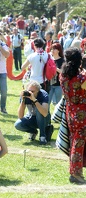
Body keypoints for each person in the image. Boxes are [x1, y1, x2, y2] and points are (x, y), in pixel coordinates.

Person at [60, 47, 86, 184]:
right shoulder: (82, 77)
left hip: (70, 112)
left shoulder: (63, 76)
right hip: (82, 114)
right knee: (78, 142)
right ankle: (76, 173)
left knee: (74, 141)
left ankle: (74, 171)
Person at [14, 80, 52, 145]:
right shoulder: (25, 95)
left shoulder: (43, 94)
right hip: (32, 117)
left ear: (38, 91)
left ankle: (42, 136)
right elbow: (20, 116)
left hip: (44, 119)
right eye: (29, 91)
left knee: (38, 109)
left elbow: (45, 113)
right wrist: (23, 101)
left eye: (32, 91)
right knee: (18, 124)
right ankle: (33, 132)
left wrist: (34, 100)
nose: (30, 93)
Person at [48, 43, 64, 110]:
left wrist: (56, 68)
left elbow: (63, 72)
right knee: (47, 102)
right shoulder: (49, 59)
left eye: (54, 49)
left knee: (58, 103)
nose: (52, 50)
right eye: (51, 49)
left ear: (58, 50)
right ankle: (46, 117)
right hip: (50, 84)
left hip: (58, 84)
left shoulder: (62, 60)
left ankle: (57, 117)